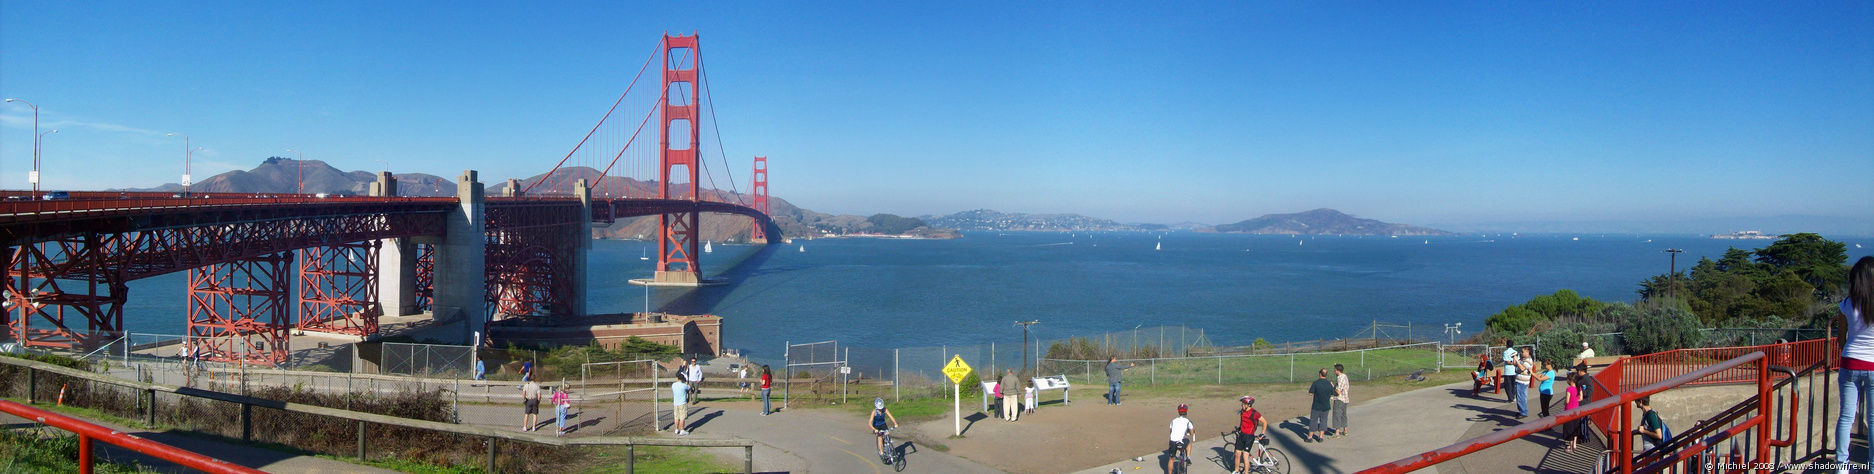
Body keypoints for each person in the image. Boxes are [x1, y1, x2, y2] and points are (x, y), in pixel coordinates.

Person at [1835, 256, 1874, 473]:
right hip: (1873, 365)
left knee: (1846, 416)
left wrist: (1846, 351)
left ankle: (1841, 466)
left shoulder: (1847, 304)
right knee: (1873, 419)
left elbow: (1842, 337)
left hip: (1849, 362)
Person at [1234, 396, 1267, 474]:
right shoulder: (1242, 411)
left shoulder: (1254, 413)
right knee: (1237, 453)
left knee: (1245, 456)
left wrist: (1262, 433)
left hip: (1249, 436)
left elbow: (1264, 422)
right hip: (1242, 435)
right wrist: (1239, 428)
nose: (1241, 405)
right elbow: (1243, 422)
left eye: (1243, 404)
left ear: (1248, 404)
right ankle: (1236, 471)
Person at [1166, 403, 1196, 474]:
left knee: (1171, 459)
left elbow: (1171, 432)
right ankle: (1188, 457)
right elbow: (1192, 433)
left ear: (1178, 411)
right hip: (1181, 441)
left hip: (1173, 441)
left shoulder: (1173, 421)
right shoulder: (1188, 421)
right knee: (1189, 441)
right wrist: (1188, 433)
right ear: (1186, 411)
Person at [870, 398, 899, 464]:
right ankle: (882, 453)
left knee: (887, 434)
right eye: (879, 408)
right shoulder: (874, 412)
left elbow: (891, 416)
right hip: (876, 426)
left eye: (881, 408)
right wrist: (874, 429)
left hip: (883, 424)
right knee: (880, 438)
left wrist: (895, 423)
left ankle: (888, 444)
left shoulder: (885, 409)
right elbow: (869, 422)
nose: (880, 409)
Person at [1307, 368, 1333, 442]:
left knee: (1313, 421)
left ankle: (1310, 437)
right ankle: (1321, 437)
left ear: (1320, 374)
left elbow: (1310, 393)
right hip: (1326, 406)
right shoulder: (1329, 384)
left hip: (1316, 406)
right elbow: (1332, 393)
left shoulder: (1316, 383)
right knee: (1323, 421)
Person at [1563, 373, 1585, 453]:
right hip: (1576, 410)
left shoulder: (1569, 389)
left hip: (1569, 411)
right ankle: (1575, 444)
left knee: (1569, 429)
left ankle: (1571, 447)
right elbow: (1581, 398)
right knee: (1575, 428)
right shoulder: (1579, 388)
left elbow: (1567, 401)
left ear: (1570, 380)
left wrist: (1565, 403)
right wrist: (1575, 400)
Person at [1514, 347, 1534, 419]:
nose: (1521, 353)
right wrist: (1514, 358)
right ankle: (1522, 410)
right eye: (1521, 352)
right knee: (1521, 397)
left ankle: (1523, 412)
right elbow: (1515, 364)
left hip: (1523, 382)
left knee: (1521, 397)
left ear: (1528, 352)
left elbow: (1522, 368)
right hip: (1520, 380)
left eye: (1523, 352)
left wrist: (1518, 361)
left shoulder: (1528, 361)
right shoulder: (1523, 359)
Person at [1332, 363, 1351, 437]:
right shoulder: (1345, 376)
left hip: (1339, 399)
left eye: (1335, 370)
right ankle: (1345, 430)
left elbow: (1338, 391)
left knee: (1337, 415)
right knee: (1343, 415)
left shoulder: (1340, 378)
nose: (1334, 371)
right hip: (1345, 399)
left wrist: (1332, 387)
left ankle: (1337, 432)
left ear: (1337, 371)